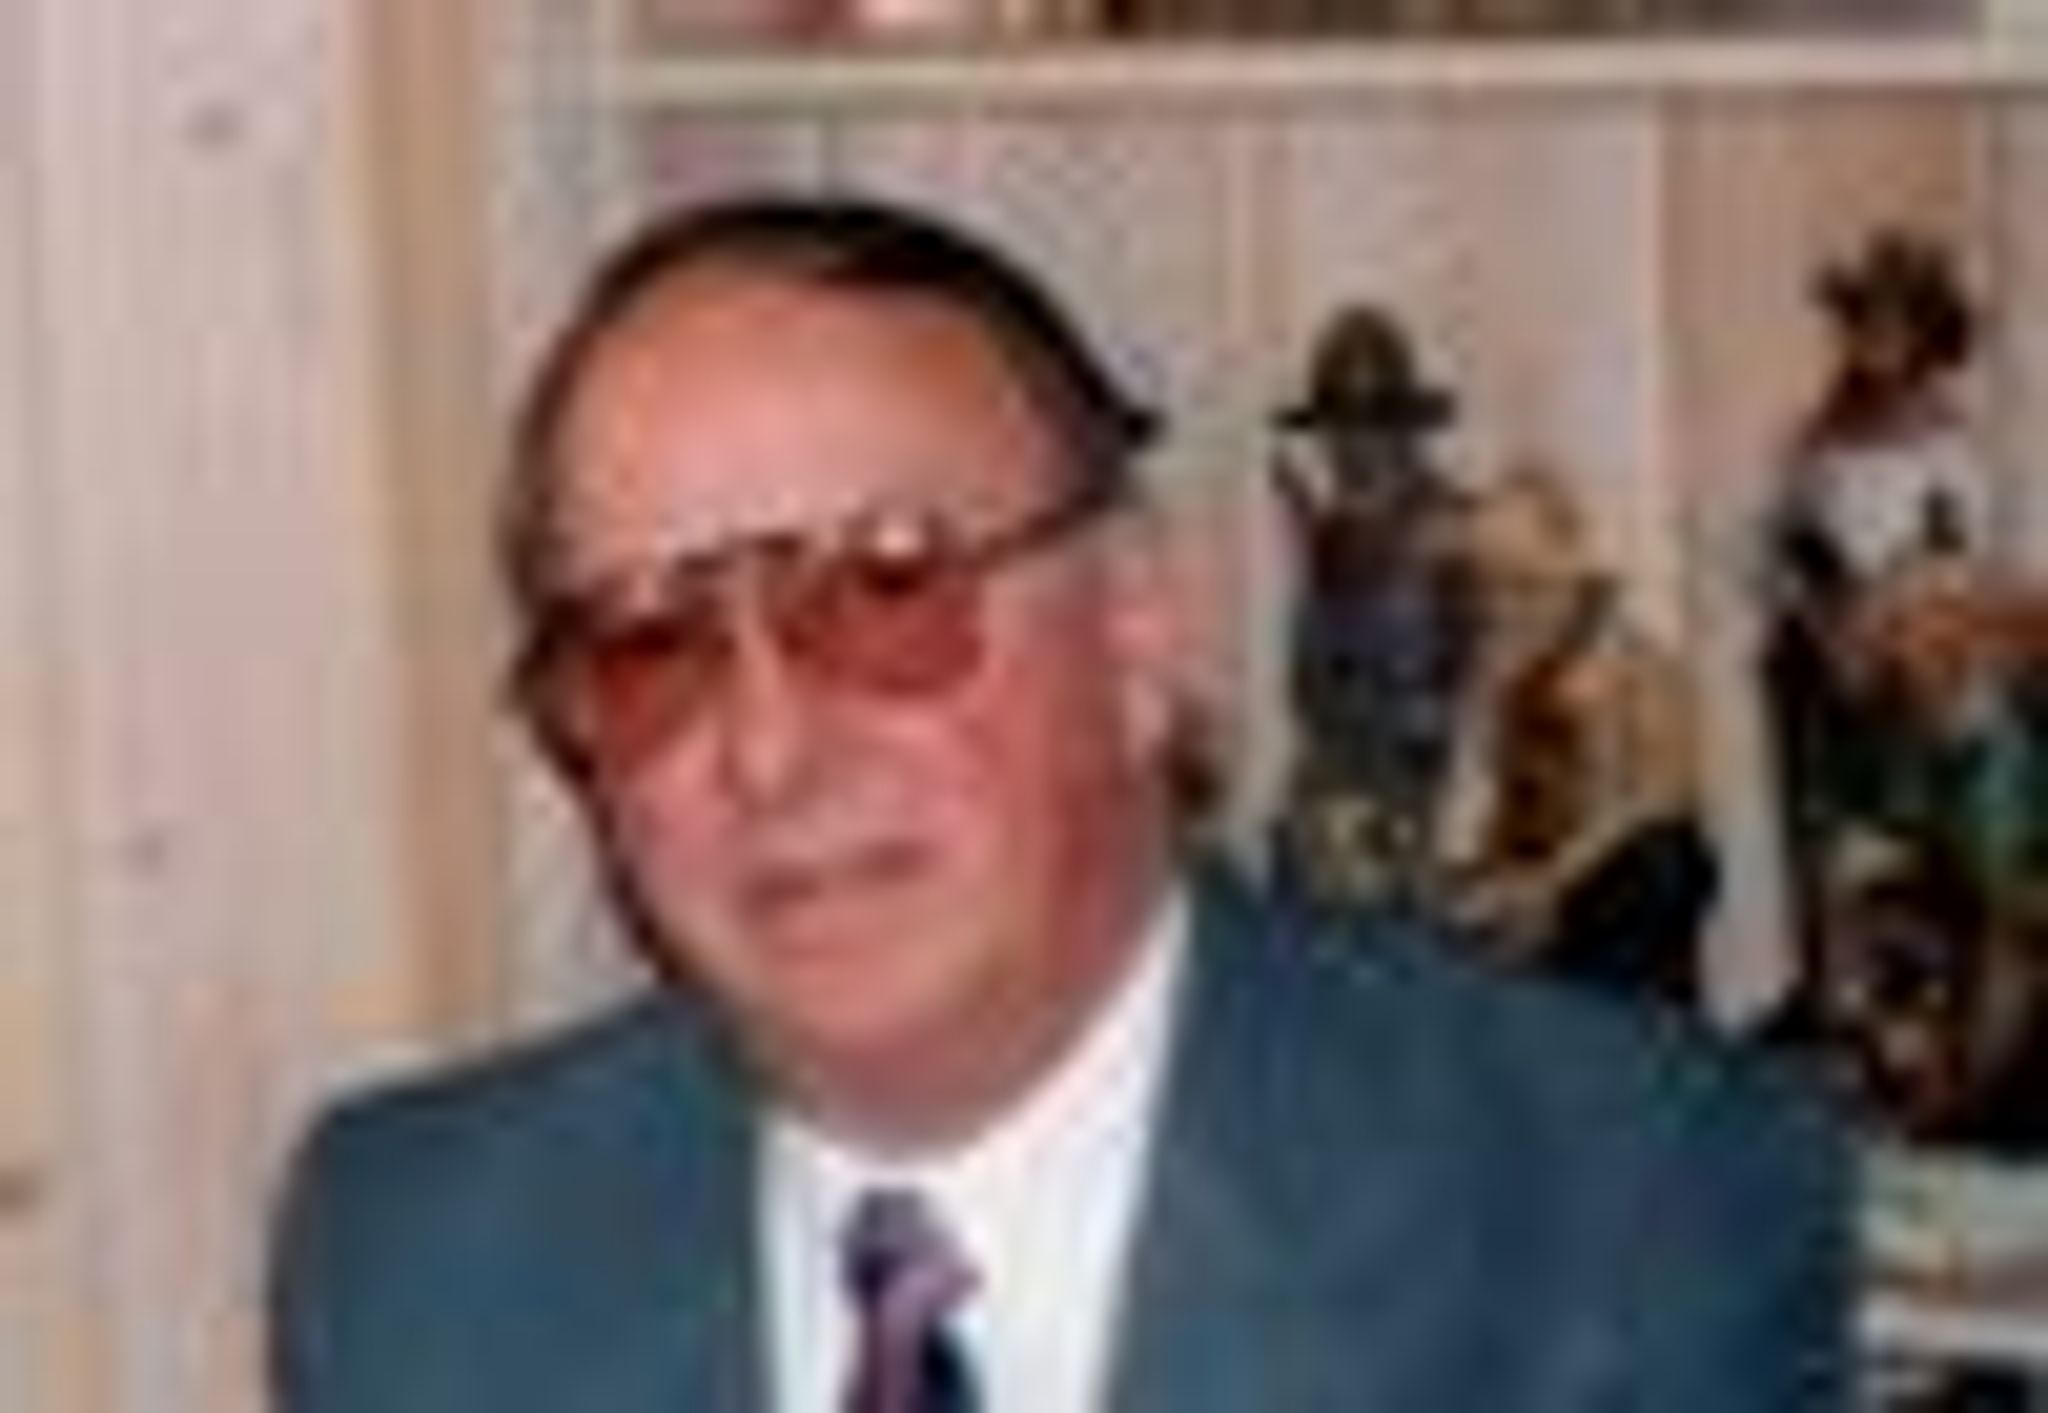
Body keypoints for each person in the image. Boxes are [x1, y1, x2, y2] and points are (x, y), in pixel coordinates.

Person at [269, 193, 1852, 1413]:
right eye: (647, 644)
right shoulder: (421, 1249)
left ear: (1136, 638)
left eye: (886, 589)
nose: (767, 750)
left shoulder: (1624, 1209)